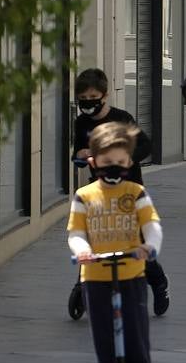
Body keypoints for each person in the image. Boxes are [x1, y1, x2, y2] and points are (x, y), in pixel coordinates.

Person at [67, 121, 163, 363]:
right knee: (105, 344)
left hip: (131, 274)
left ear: (129, 164)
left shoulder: (135, 193)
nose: (114, 170)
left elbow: (152, 226)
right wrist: (82, 250)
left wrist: (149, 247)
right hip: (94, 276)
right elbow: (76, 233)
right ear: (93, 163)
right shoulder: (84, 195)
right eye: (107, 164)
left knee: (136, 341)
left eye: (121, 165)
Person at [71, 69, 170, 317]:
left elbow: (145, 145)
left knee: (134, 242)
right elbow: (78, 153)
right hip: (99, 193)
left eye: (92, 96)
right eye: (82, 97)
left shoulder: (121, 119)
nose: (87, 102)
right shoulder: (81, 122)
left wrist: (122, 158)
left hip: (129, 191)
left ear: (104, 96)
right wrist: (80, 155)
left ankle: (157, 282)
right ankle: (83, 287)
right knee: (94, 239)